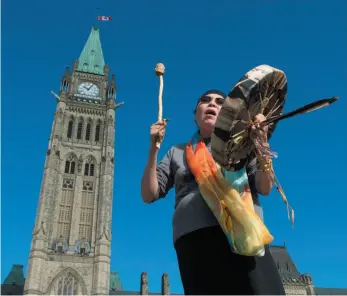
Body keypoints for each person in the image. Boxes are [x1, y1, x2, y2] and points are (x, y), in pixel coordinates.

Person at [141, 89, 285, 295]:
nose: (212, 104)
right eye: (205, 100)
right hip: (196, 242)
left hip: (246, 236)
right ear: (195, 114)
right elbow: (148, 194)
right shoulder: (177, 151)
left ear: (228, 113)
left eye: (219, 102)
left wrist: (262, 142)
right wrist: (153, 148)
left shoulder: (244, 144)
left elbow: (264, 187)